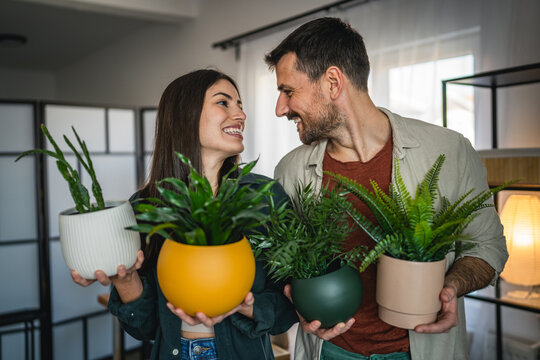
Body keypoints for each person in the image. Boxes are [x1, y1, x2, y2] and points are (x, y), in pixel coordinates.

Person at [264, 17, 508, 360]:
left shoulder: (448, 151)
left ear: (333, 82)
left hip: (421, 350)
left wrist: (452, 288)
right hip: (330, 351)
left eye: (288, 91)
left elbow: (488, 246)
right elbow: (287, 271)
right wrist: (298, 305)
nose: (281, 109)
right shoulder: (290, 171)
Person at [71, 69, 298, 360]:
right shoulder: (145, 207)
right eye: (223, 102)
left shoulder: (265, 196)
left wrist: (248, 307)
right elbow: (145, 327)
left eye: (240, 104)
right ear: (185, 116)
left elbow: (292, 304)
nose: (240, 114)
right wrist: (126, 282)